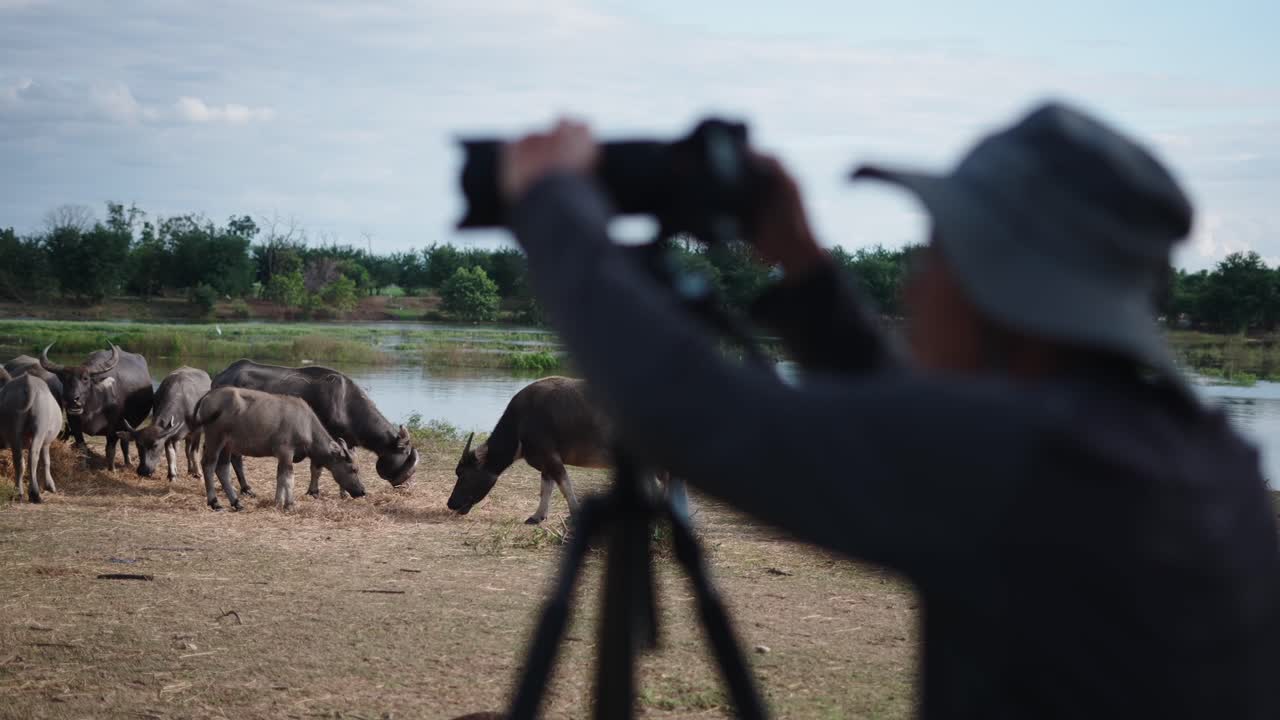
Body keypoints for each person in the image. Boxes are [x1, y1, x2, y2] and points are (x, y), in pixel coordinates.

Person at [495, 102, 1279, 718]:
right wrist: (803, 272)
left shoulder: (1033, 466)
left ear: (1002, 289)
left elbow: (703, 414)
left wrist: (556, 210)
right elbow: (919, 426)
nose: (914, 284)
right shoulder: (1191, 458)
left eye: (934, 253)